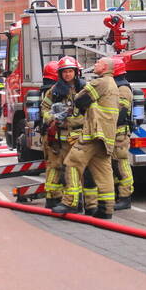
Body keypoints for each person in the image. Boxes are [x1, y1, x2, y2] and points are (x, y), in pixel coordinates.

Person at [53, 57, 119, 219]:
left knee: (72, 163)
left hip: (92, 134)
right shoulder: (113, 84)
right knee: (104, 172)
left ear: (104, 67)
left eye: (97, 63)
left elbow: (80, 99)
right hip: (105, 137)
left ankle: (70, 202)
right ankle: (105, 209)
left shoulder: (101, 83)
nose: (94, 65)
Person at [38, 60, 67, 209]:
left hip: (48, 133)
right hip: (53, 133)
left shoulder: (45, 89)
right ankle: (54, 198)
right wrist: (55, 118)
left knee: (52, 165)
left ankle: (52, 197)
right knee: (56, 165)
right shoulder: (55, 91)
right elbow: (45, 110)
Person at [111, 56, 135, 210]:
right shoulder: (115, 87)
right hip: (112, 132)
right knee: (113, 165)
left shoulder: (123, 89)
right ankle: (117, 195)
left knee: (121, 164)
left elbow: (120, 112)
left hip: (119, 133)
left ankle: (126, 197)